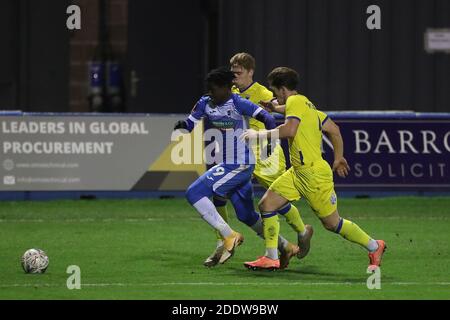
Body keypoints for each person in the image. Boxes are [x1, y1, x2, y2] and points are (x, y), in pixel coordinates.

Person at [241, 67, 387, 270]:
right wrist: (338, 157)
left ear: (283, 89)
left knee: (332, 223)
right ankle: (271, 256)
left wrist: (258, 135)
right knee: (267, 205)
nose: (275, 97)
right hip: (297, 172)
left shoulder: (295, 102)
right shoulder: (306, 105)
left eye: (275, 92)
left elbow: (289, 130)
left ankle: (374, 245)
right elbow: (334, 130)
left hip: (313, 175)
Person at [174, 67, 297, 267]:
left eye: (214, 89)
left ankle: (228, 236)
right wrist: (181, 125)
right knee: (246, 215)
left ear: (226, 88)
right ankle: (286, 247)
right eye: (209, 89)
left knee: (194, 192)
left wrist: (268, 141)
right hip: (230, 164)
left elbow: (267, 118)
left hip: (240, 162)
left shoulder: (239, 103)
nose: (211, 93)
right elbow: (190, 124)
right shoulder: (206, 102)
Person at [204, 53, 307, 269]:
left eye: (239, 73)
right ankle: (223, 241)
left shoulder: (264, 93)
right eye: (232, 73)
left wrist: (270, 145)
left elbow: (281, 117)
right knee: (219, 193)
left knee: (278, 200)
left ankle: (301, 231)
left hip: (265, 153)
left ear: (250, 72)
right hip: (240, 154)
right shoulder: (229, 92)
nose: (234, 77)